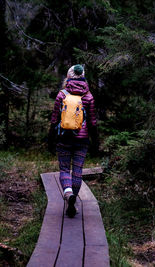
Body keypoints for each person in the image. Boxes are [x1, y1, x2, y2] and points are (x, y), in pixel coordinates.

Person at [48, 64, 99, 218]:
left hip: (63, 138)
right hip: (82, 140)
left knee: (64, 169)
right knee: (77, 171)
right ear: (83, 76)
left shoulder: (62, 94)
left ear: (68, 77)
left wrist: (50, 139)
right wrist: (95, 141)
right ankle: (74, 200)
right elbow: (92, 122)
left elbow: (54, 119)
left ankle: (68, 194)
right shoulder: (89, 96)